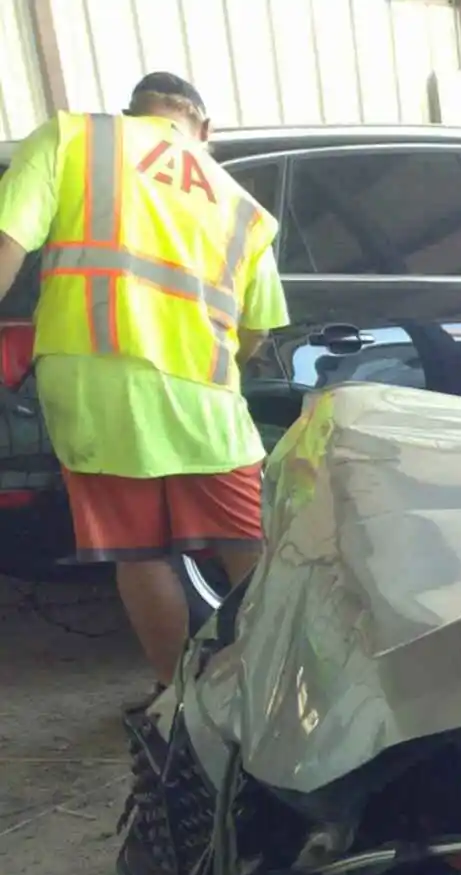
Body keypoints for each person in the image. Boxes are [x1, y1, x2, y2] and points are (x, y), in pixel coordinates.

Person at [0, 72, 287, 691]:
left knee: (141, 553)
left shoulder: (74, 138)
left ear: (130, 111)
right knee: (247, 548)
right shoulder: (243, 206)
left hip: (93, 381)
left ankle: (174, 696)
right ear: (204, 130)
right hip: (206, 395)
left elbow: (6, 245)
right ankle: (275, 691)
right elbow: (259, 331)